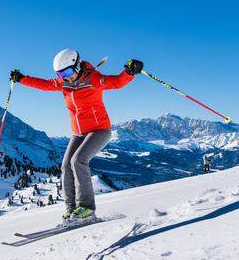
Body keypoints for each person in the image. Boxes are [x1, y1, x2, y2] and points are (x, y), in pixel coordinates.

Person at [10, 49, 143, 219]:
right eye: (60, 74)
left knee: (78, 161)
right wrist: (21, 79)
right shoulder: (64, 84)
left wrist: (129, 72)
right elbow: (43, 84)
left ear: (77, 65)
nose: (64, 77)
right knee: (66, 166)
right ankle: (71, 209)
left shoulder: (93, 79)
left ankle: (86, 208)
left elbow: (116, 82)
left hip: (99, 130)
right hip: (78, 133)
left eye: (67, 72)